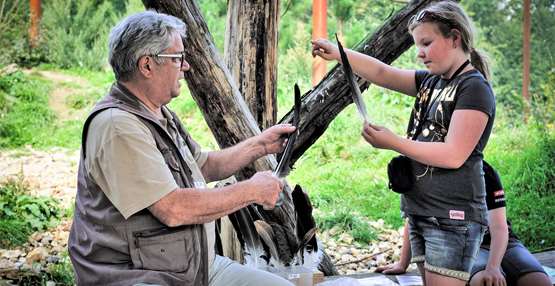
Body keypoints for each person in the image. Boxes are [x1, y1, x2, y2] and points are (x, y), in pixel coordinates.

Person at [68, 11, 295, 286]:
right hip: (139, 276)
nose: (185, 66)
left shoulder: (158, 114)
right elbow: (172, 208)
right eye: (177, 58)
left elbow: (203, 166)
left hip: (194, 268)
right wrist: (251, 191)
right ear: (147, 65)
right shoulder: (118, 126)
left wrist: (260, 145)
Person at [312, 1, 495, 285]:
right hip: (421, 211)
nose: (419, 53)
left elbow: (453, 155)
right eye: (416, 45)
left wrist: (394, 142)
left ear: (455, 37)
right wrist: (339, 54)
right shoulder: (432, 81)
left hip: (451, 218)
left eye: (426, 43)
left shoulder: (474, 88)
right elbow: (383, 74)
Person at [376, 162, 552, 286]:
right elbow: (414, 220)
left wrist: (494, 266)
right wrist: (402, 263)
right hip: (465, 244)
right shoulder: (424, 176)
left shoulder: (483, 171)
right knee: (484, 281)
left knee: (539, 281)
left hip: (501, 241)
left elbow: (499, 227)